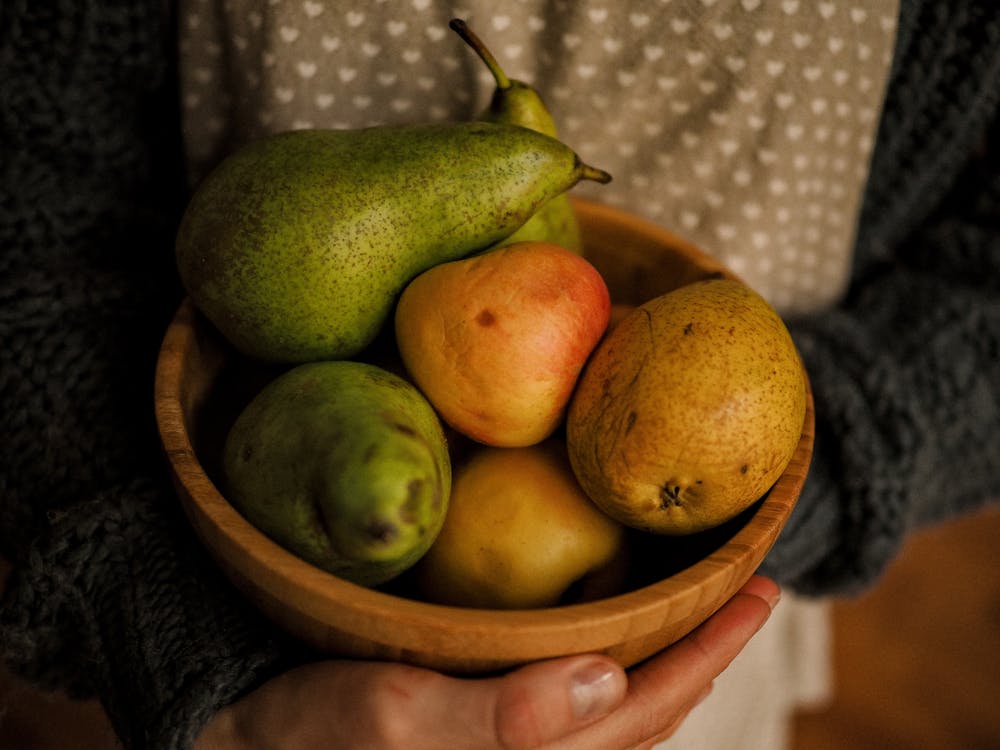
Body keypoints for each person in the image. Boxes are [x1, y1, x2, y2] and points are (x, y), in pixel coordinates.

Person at [2, 1, 997, 749]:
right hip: (237, 585)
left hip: (681, 633)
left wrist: (766, 513)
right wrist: (206, 673)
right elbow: (37, 210)